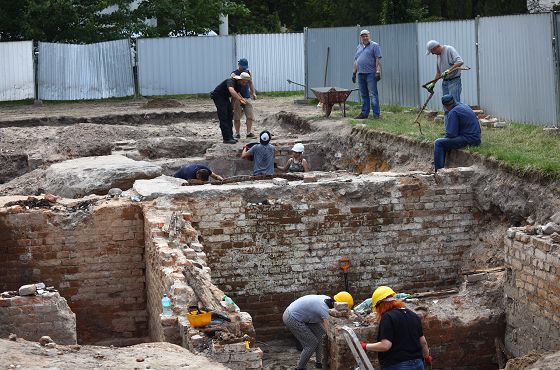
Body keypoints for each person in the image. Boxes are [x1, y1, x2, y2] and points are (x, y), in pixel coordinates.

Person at [360, 286, 431, 370]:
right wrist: (426, 357)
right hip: (418, 364)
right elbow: (423, 342)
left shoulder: (388, 317)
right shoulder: (413, 315)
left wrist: (365, 346)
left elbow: (385, 346)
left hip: (397, 365)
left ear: (380, 306)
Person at [283, 291, 354, 370]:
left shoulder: (329, 301)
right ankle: (300, 367)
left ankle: (319, 363)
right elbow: (329, 330)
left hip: (306, 316)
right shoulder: (324, 308)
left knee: (321, 336)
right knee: (311, 343)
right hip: (292, 317)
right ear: (338, 304)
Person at [434, 94, 481, 173]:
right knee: (444, 141)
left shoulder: (453, 112)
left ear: (445, 106)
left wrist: (446, 137)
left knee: (439, 143)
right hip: (476, 137)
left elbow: (451, 134)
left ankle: (438, 171)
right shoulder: (464, 105)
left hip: (469, 139)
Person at [211, 72, 252, 144]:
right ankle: (226, 139)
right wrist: (241, 99)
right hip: (218, 96)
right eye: (244, 82)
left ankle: (230, 136)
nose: (245, 84)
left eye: (246, 82)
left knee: (229, 115)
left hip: (225, 97)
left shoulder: (239, 85)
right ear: (240, 79)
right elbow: (232, 91)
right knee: (223, 117)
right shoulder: (231, 81)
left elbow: (234, 97)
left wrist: (232, 108)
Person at [352, 29, 382, 119]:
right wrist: (354, 73)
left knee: (373, 94)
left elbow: (378, 59)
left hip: (371, 74)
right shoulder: (359, 47)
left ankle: (376, 115)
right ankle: (364, 113)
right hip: (361, 74)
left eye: (366, 35)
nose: (365, 37)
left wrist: (378, 71)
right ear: (360, 37)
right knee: (364, 94)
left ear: (369, 36)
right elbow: (356, 60)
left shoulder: (375, 46)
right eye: (363, 36)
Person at [231, 58, 257, 139]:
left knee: (250, 115)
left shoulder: (248, 72)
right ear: (238, 65)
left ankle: (249, 132)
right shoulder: (234, 74)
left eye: (245, 67)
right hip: (236, 98)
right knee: (237, 116)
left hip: (247, 97)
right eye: (242, 67)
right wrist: (240, 98)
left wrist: (253, 92)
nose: (243, 68)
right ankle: (237, 133)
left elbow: (250, 83)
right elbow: (233, 88)